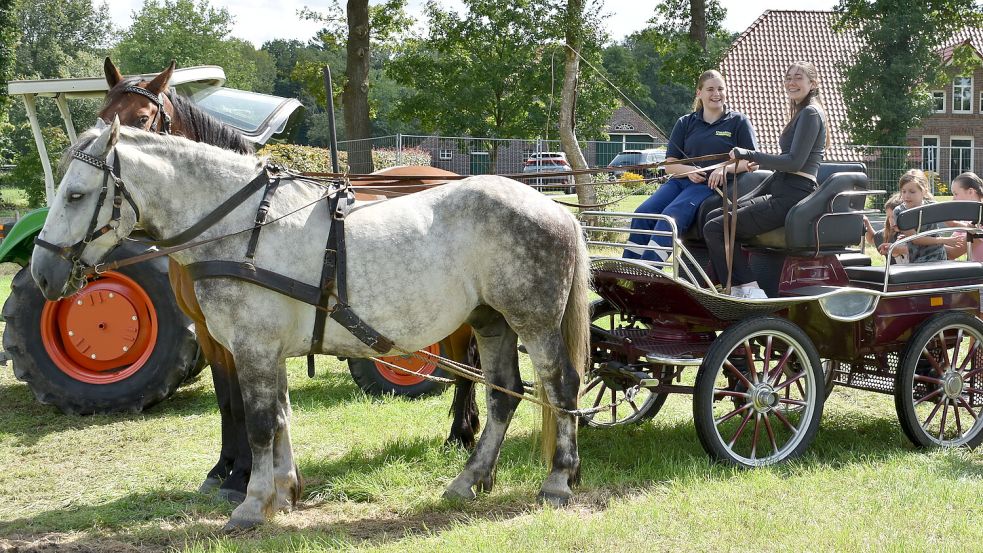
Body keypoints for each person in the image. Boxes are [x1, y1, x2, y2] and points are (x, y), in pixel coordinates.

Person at [703, 61, 828, 299]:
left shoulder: (811, 113)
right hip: (781, 187)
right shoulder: (802, 112)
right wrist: (760, 163)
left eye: (798, 78)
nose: (791, 82)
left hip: (792, 194)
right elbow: (786, 161)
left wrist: (748, 154)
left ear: (812, 83)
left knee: (715, 227)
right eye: (788, 77)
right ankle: (719, 285)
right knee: (712, 217)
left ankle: (747, 289)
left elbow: (794, 163)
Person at [623, 69, 758, 262]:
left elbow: (751, 161)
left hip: (709, 187)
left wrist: (723, 168)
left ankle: (649, 270)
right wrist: (690, 171)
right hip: (679, 182)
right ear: (699, 93)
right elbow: (670, 165)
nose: (716, 94)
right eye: (710, 89)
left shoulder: (738, 122)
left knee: (670, 219)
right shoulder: (685, 123)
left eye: (720, 89)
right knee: (642, 214)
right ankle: (628, 270)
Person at [881, 169, 954, 264]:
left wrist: (968, 227)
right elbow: (916, 240)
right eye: (903, 191)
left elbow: (951, 222)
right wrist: (944, 240)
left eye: (912, 192)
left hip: (939, 255)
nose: (907, 195)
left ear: (924, 191)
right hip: (918, 259)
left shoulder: (932, 206)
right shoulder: (900, 212)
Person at [944, 172, 983, 260]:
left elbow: (953, 253)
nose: (953, 199)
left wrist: (923, 243)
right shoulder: (968, 220)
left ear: (970, 192)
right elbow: (951, 244)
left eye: (956, 194)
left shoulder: (979, 220)